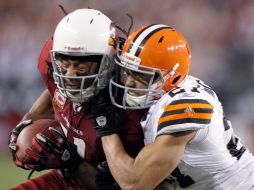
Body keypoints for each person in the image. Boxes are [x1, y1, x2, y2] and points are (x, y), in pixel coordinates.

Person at [8, 9, 174, 190]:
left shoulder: (134, 101)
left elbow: (151, 185)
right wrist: (27, 126)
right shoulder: (51, 59)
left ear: (108, 62)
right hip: (64, 179)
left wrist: (73, 162)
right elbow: (55, 88)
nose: (70, 75)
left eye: (81, 66)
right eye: (65, 65)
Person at [93, 24, 254, 190]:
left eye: (141, 74)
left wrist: (106, 131)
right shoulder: (168, 94)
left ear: (172, 76)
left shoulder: (185, 104)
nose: (129, 82)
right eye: (128, 72)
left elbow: (134, 184)